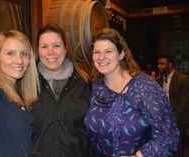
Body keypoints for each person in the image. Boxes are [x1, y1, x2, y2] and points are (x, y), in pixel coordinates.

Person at [84, 28, 179, 157]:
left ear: (121, 54)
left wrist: (138, 156)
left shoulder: (144, 86)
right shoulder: (94, 88)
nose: (101, 57)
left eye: (108, 51)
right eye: (97, 52)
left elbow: (168, 135)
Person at [31, 24, 93, 157]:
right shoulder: (27, 83)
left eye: (56, 46)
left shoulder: (84, 83)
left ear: (65, 50)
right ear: (38, 51)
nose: (50, 52)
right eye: (44, 46)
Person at [157, 53, 189, 156]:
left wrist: (173, 120)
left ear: (170, 64)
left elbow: (184, 102)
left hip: (178, 119)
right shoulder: (158, 79)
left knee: (177, 148)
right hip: (163, 119)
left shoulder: (183, 79)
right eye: (158, 64)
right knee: (164, 147)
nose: (159, 66)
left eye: (162, 64)